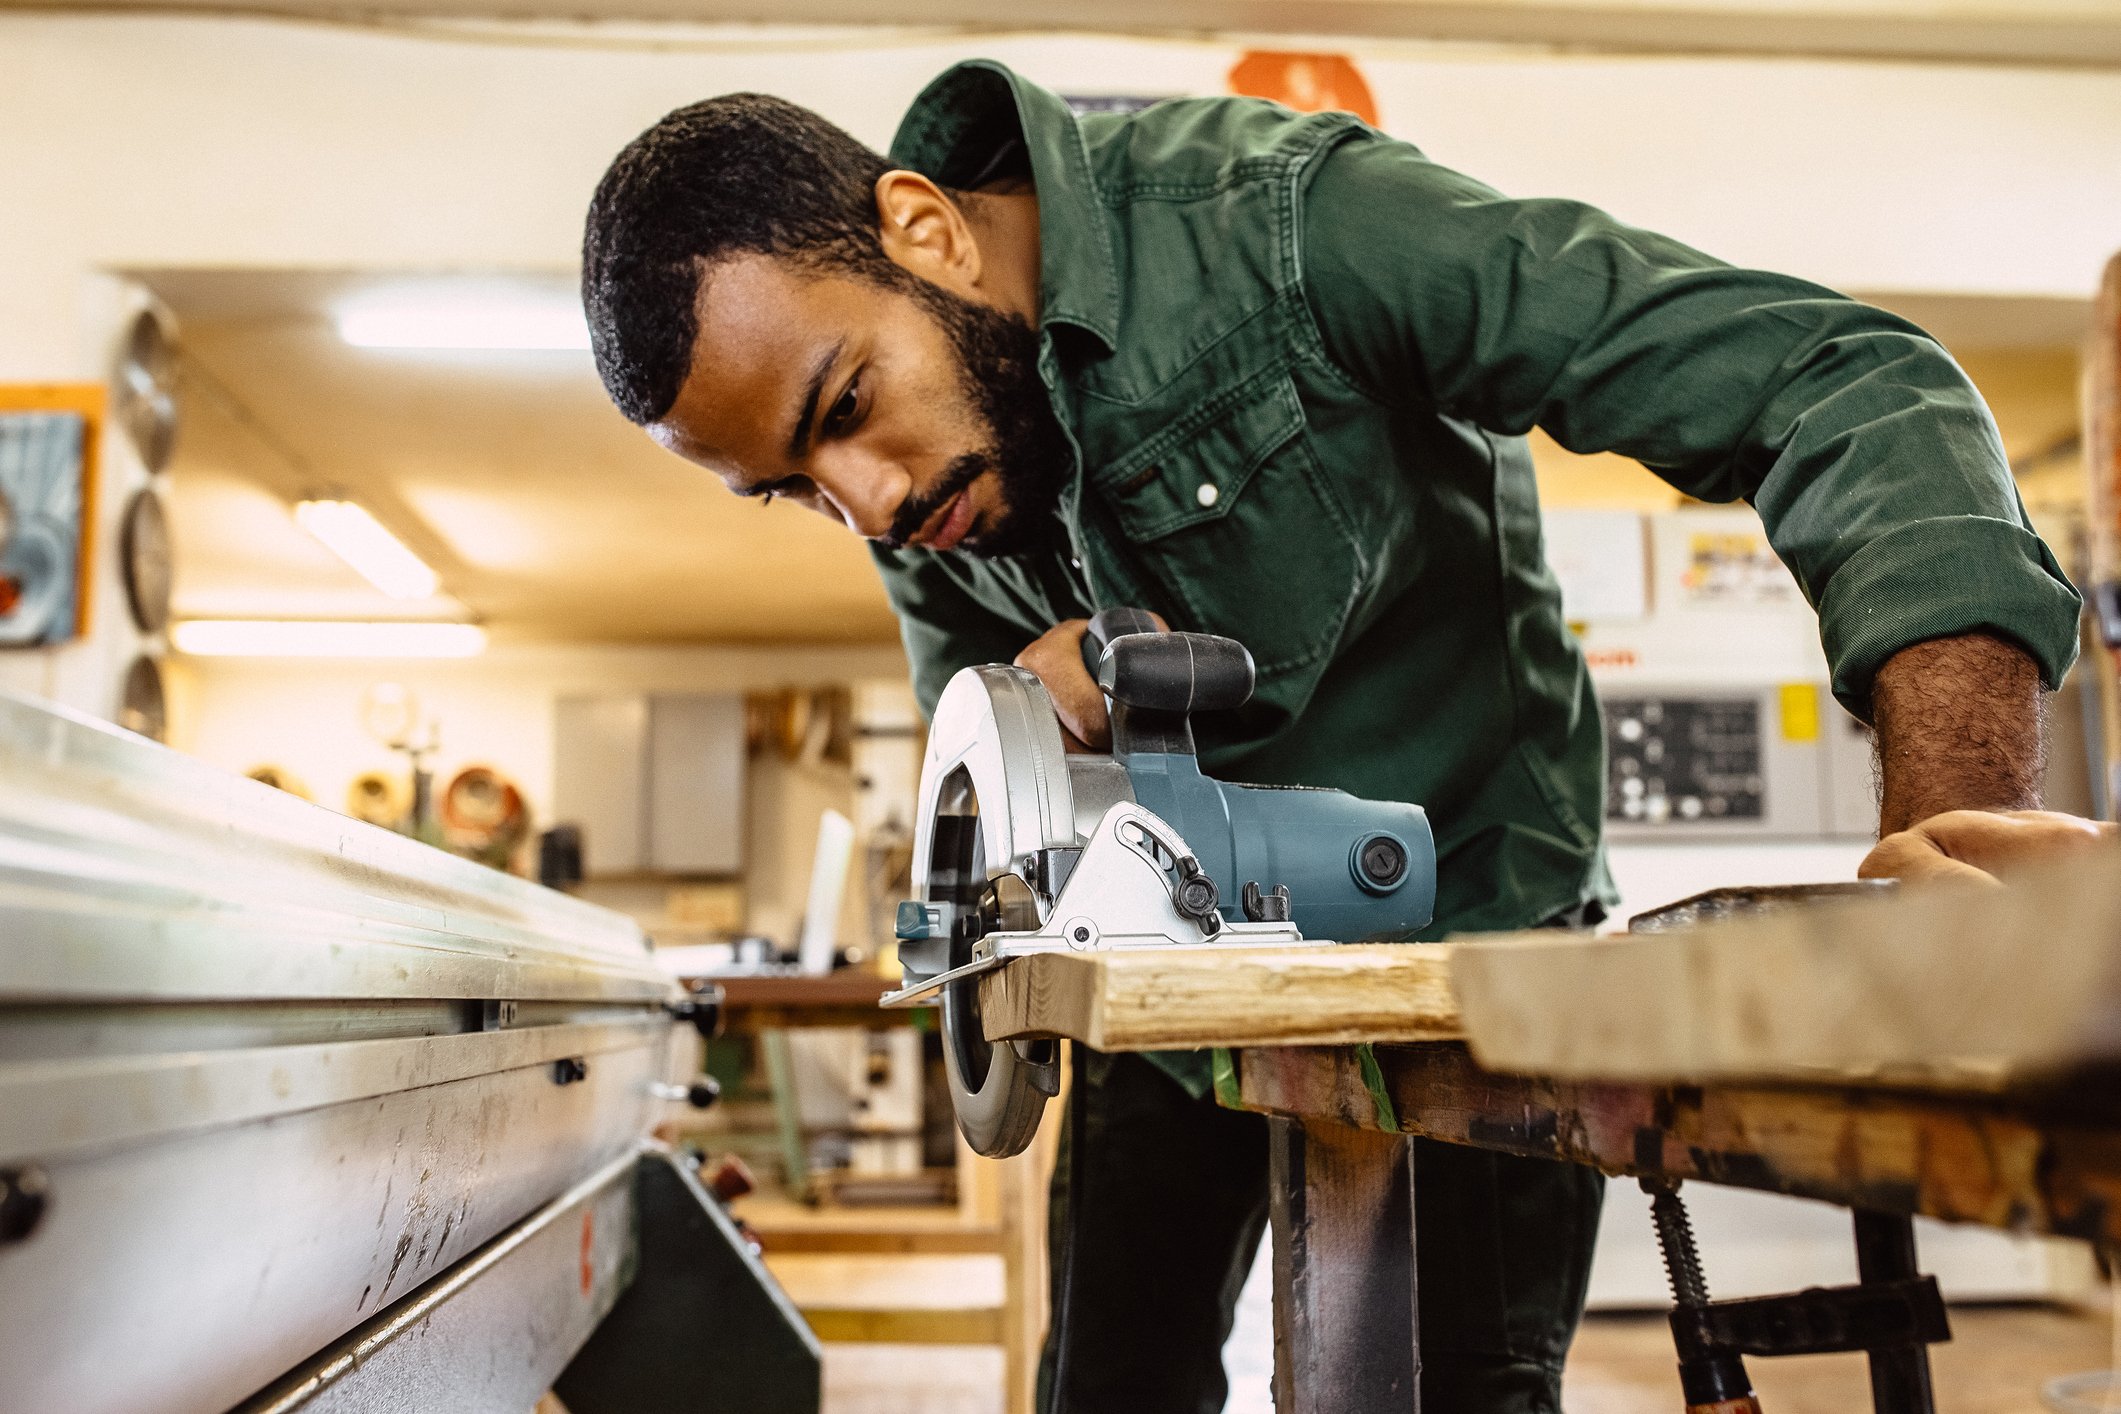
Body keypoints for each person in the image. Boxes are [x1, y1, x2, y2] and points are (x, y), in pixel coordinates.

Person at [580, 60, 2107, 1413]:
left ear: (922, 227)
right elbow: (978, 739)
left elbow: (1841, 386)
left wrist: (1950, 831)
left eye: (847, 404)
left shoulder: (1295, 227)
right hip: (1162, 993)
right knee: (1110, 1388)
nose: (867, 503)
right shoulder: (919, 473)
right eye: (793, 486)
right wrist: (1028, 715)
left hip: (1474, 966)